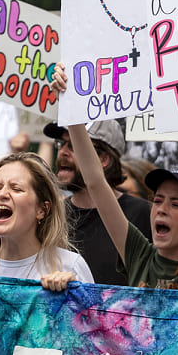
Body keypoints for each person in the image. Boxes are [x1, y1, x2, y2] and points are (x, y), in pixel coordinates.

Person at [65, 121, 178, 291]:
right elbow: (95, 183)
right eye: (157, 200)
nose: (162, 209)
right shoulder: (139, 256)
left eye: (176, 204)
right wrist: (73, 119)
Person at [0, 152, 91, 289]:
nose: (2, 194)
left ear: (42, 210)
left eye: (16, 189)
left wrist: (76, 295)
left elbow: (96, 314)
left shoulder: (69, 266)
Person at [45, 118, 151, 285]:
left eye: (73, 146)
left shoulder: (143, 214)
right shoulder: (52, 216)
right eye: (61, 144)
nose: (63, 152)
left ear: (103, 160)